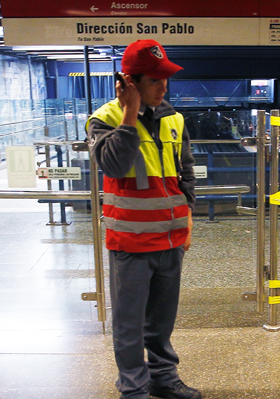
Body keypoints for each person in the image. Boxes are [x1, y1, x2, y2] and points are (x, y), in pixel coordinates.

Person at [86, 39, 200, 399]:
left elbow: (186, 172)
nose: (163, 87)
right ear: (129, 83)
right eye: (154, 80)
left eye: (165, 79)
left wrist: (189, 214)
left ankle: (163, 379)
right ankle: (133, 389)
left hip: (171, 238)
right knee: (129, 323)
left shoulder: (174, 118)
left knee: (162, 321)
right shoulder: (102, 120)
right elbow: (115, 165)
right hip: (131, 242)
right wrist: (130, 114)